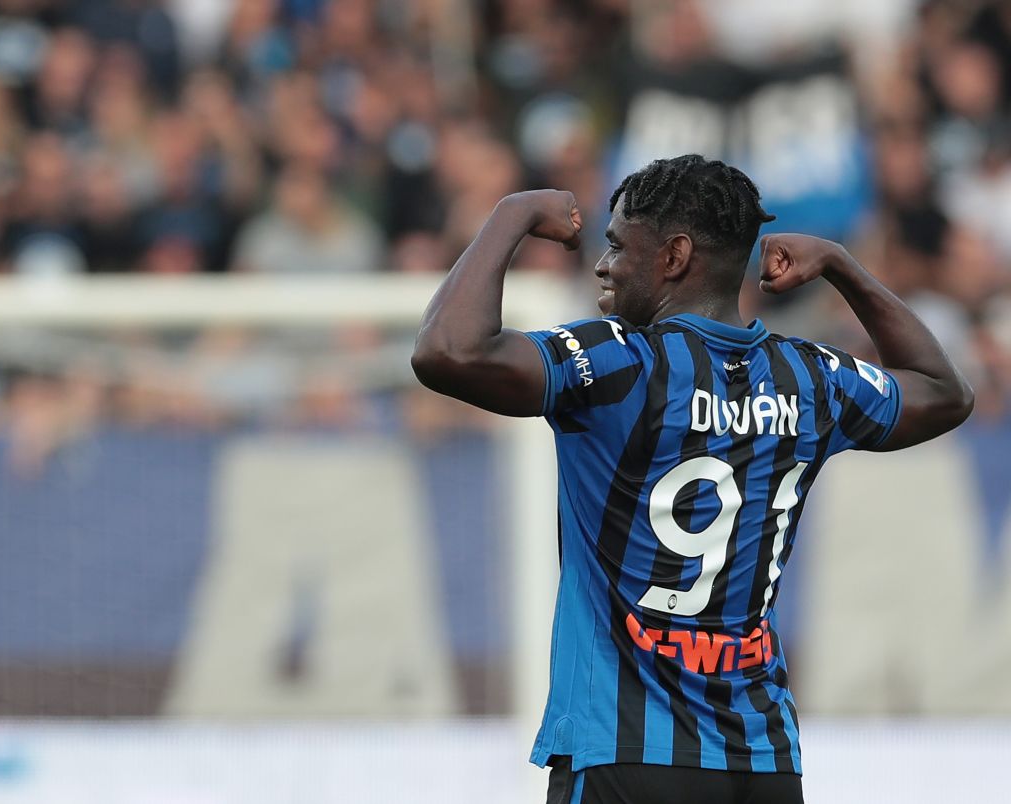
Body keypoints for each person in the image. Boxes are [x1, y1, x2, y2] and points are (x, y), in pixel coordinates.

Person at [411, 154, 973, 804]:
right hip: (762, 763)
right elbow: (942, 391)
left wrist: (512, 214)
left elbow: (446, 349)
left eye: (618, 245)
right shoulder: (812, 378)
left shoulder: (616, 363)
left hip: (624, 752)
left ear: (674, 255)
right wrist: (844, 268)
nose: (603, 264)